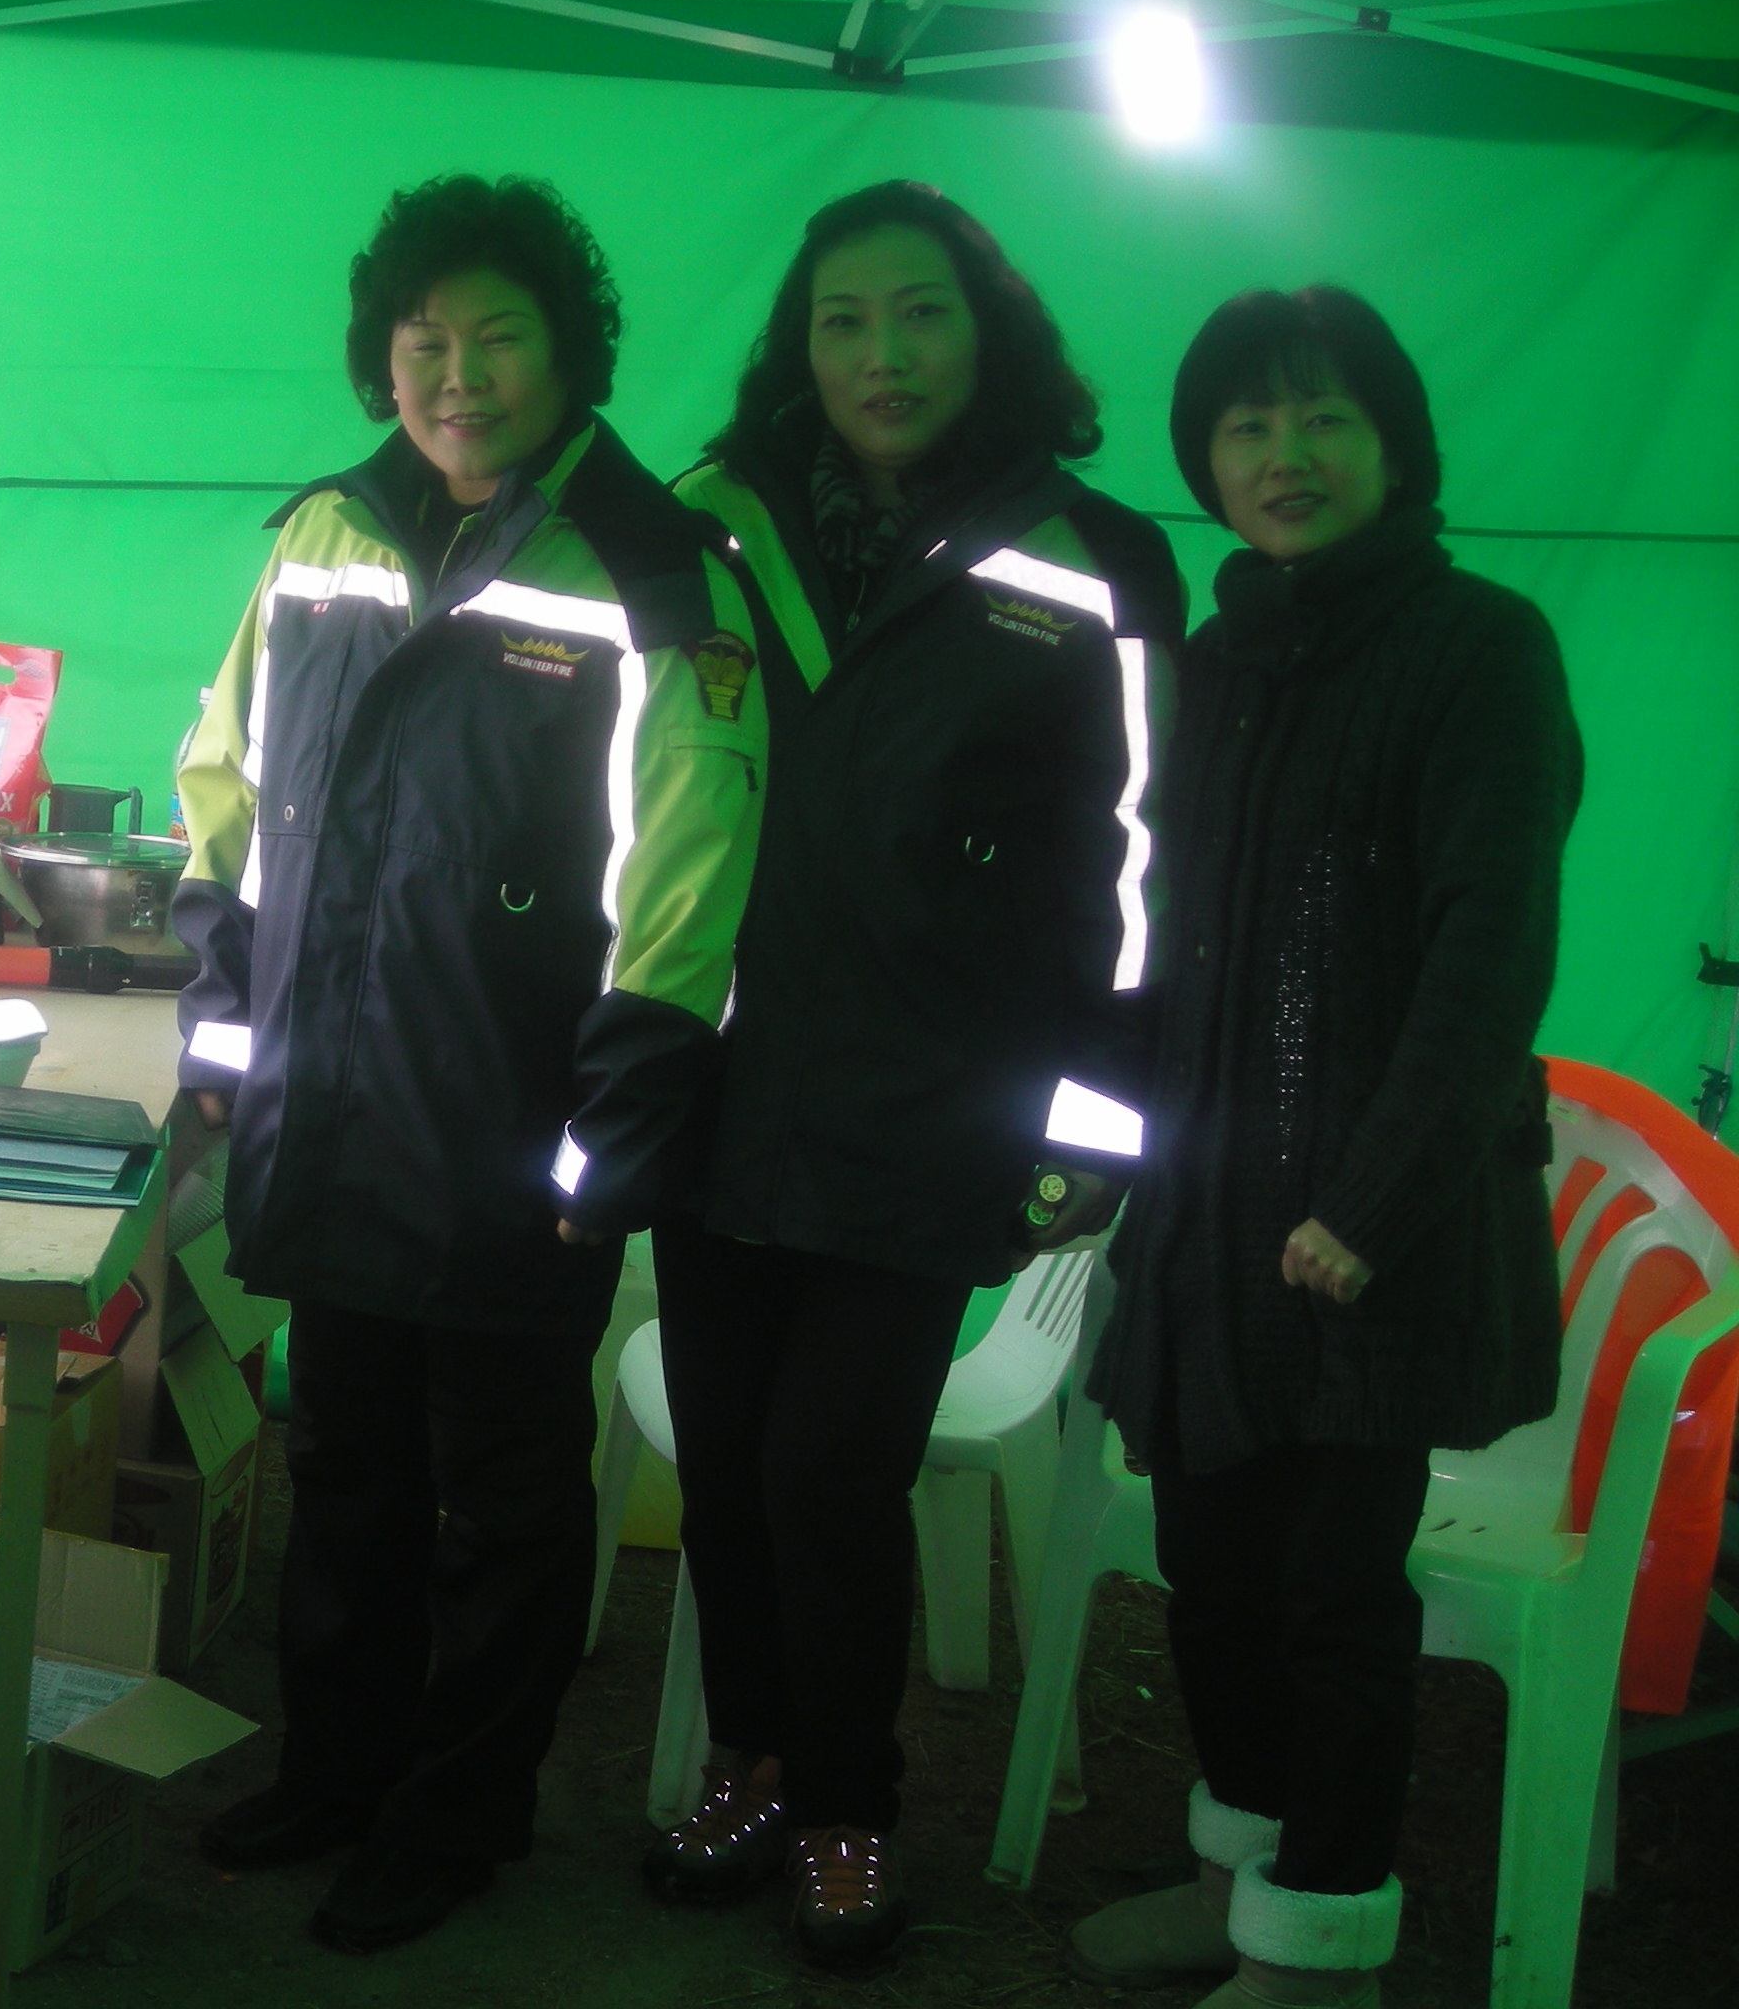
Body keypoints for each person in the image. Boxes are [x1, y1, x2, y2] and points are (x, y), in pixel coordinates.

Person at [171, 174, 770, 1955]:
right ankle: (336, 1771)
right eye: (424, 341)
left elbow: (689, 870)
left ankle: (458, 1817)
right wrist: (224, 1033)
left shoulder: (652, 566)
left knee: (501, 1498)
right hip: (330, 1103)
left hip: (515, 1123)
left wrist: (619, 1128)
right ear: (385, 358)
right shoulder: (323, 534)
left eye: (498, 338)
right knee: (342, 1461)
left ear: (568, 357)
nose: (457, 375)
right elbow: (224, 784)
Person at [647, 180, 1184, 1966]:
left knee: (828, 1469)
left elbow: (1142, 862)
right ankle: (753, 1759)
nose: (882, 353)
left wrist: (1099, 1119)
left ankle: (847, 1808)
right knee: (727, 1459)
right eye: (844, 319)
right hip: (725, 1084)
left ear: (990, 328)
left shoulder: (1096, 557)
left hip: (936, 1105)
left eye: (921, 312)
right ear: (800, 347)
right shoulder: (711, 527)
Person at [1070, 286, 1581, 2009]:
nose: (1285, 455)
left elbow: (1488, 956)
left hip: (1375, 1233)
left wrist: (1370, 1202)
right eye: (1248, 425)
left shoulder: (1481, 647)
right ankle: (1247, 1873)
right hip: (1213, 1208)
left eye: (1323, 418)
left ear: (1393, 445)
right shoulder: (1221, 663)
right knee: (1205, 1568)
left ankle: (1324, 1940)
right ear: (1208, 460)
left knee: (1332, 1593)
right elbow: (1177, 931)